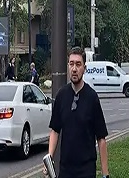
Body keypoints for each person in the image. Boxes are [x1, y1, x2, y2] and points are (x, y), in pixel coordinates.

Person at [45, 47, 109, 178]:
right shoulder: (61, 96)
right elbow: (55, 130)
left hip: (86, 170)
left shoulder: (92, 98)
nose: (74, 69)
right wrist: (49, 157)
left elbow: (101, 138)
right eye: (71, 64)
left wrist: (105, 174)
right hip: (65, 170)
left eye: (78, 64)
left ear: (84, 68)